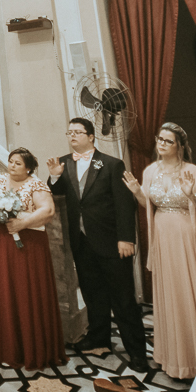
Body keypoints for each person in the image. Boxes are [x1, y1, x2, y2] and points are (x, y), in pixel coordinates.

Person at [122, 123, 196, 380]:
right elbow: (149, 205)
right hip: (164, 239)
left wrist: (191, 197)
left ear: (180, 146)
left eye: (168, 141)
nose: (161, 144)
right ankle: (180, 360)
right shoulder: (150, 171)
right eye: (159, 139)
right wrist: (138, 192)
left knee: (195, 291)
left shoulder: (193, 171)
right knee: (174, 293)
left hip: (192, 237)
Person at [46, 117, 148, 372]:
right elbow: (57, 195)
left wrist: (126, 238)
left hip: (112, 242)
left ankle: (137, 352)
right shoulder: (63, 163)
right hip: (81, 242)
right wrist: (54, 177)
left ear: (91, 137)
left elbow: (124, 204)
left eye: (78, 132)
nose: (72, 136)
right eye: (69, 132)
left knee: (123, 299)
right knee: (93, 294)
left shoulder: (112, 165)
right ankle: (99, 338)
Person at [0, 148, 66, 369]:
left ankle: (32, 348)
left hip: (28, 246)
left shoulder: (36, 185)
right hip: (1, 244)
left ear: (28, 168)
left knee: (27, 290)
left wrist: (22, 223)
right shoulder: (1, 180)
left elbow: (48, 210)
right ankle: (7, 345)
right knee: (4, 289)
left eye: (17, 163)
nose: (12, 165)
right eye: (10, 161)